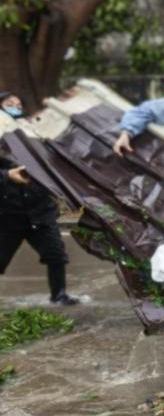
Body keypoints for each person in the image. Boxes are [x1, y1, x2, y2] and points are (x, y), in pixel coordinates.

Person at [0, 93, 79, 305]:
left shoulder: (31, 134)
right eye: (9, 104)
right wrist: (7, 176)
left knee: (56, 255)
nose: (16, 108)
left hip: (40, 211)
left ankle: (59, 294)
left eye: (19, 104)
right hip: (8, 214)